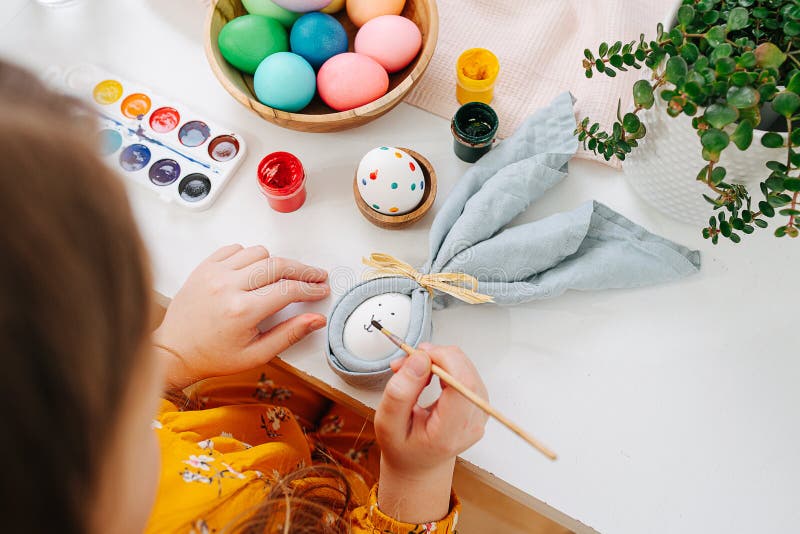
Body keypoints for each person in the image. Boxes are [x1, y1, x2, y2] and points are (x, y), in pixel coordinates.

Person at [0, 59, 489, 533]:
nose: (130, 366)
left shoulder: (62, 433)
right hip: (342, 500)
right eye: (119, 372)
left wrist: (170, 353)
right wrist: (418, 473)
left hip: (242, 419)